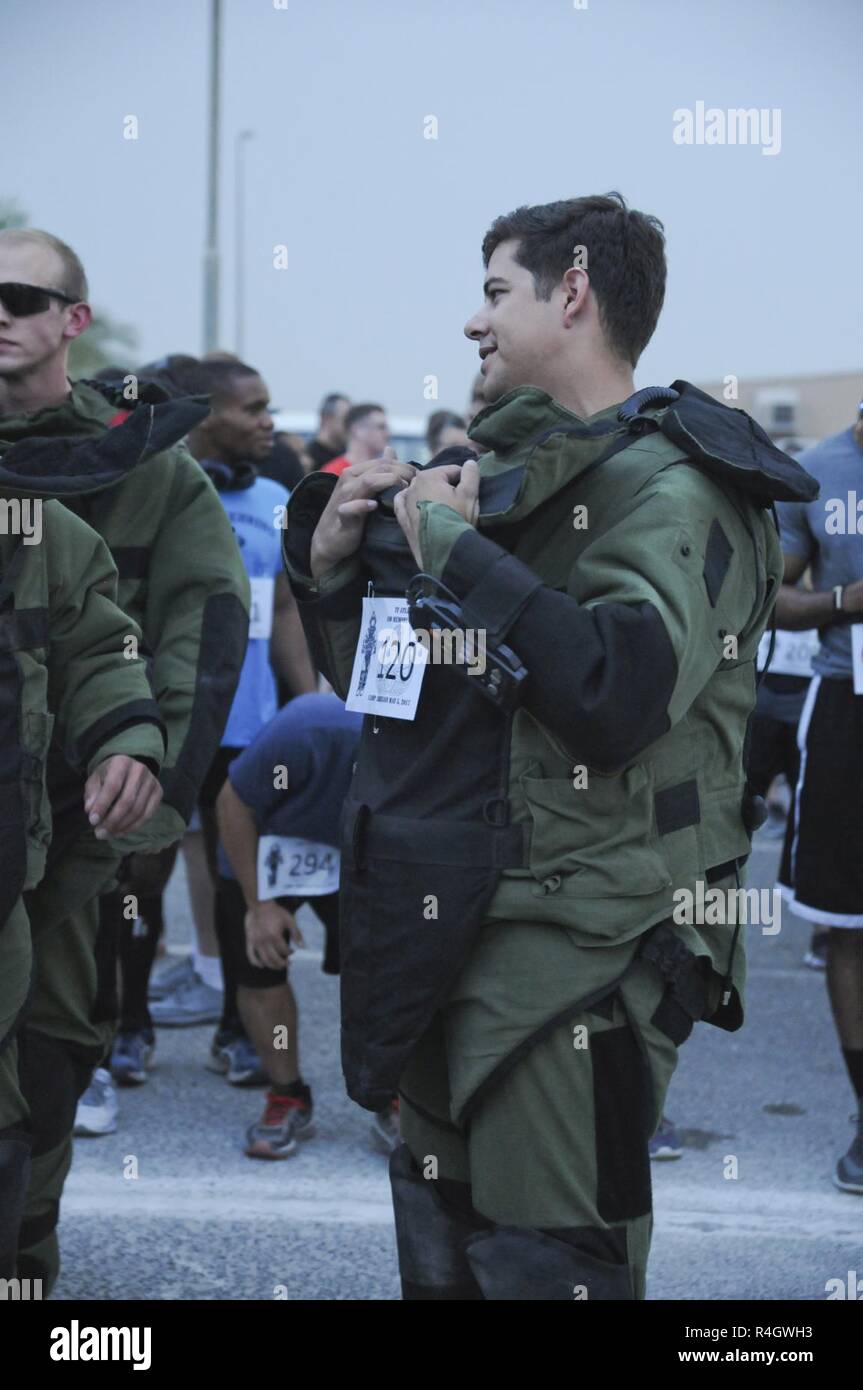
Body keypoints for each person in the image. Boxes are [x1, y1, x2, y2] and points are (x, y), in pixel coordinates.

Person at [283, 192, 816, 1300]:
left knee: (546, 1269)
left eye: (492, 293)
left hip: (578, 953)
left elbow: (612, 695)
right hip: (449, 931)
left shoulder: (674, 490)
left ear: (569, 292)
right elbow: (401, 700)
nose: (470, 325)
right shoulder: (510, 481)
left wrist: (449, 549)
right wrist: (335, 568)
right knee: (438, 1257)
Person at [0, 228, 251, 1289]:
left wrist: (154, 797)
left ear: (73, 319)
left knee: (50, 1059)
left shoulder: (148, 468)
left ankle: (25, 1260)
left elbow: (200, 632)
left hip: (87, 829)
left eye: (21, 296)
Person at [0, 415, 171, 1276]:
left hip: (22, 889)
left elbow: (105, 651)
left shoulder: (36, 531)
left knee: (29, 1097)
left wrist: (129, 745)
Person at [150, 356, 317, 1082]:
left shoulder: (278, 496)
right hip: (164, 725)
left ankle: (234, 1028)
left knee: (234, 883)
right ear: (207, 416)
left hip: (248, 727)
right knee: (137, 875)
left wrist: (307, 702)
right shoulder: (154, 494)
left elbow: (281, 609)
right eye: (252, 409)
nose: (267, 422)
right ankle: (124, 1031)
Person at [213, 694, 386, 1157]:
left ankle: (394, 1095)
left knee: (387, 969)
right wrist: (258, 904)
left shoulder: (423, 749)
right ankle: (286, 1092)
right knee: (259, 966)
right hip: (267, 840)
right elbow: (232, 805)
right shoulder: (308, 731)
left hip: (356, 853)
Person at [774, 399, 863, 1194]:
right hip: (844, 706)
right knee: (845, 925)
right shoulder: (819, 471)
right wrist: (846, 601)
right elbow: (771, 597)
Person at [320, 403, 389, 478]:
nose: (387, 434)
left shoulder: (384, 472)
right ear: (358, 430)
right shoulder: (333, 473)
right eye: (381, 427)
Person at [307, 393, 350, 472]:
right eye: (346, 419)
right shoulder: (307, 457)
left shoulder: (346, 454)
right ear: (327, 418)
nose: (350, 426)